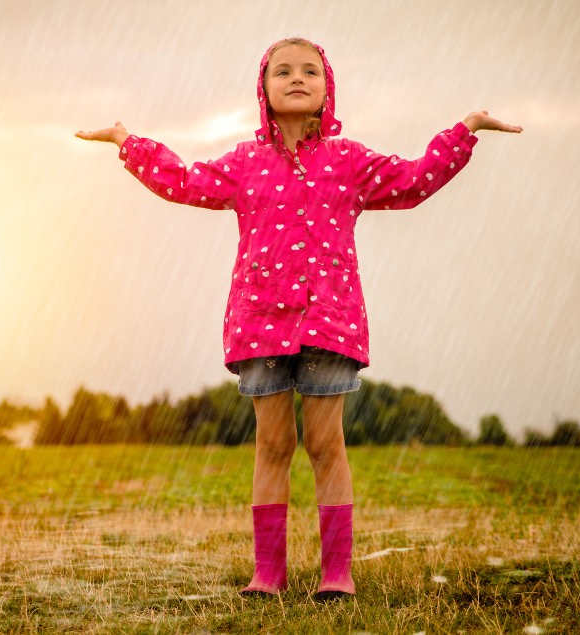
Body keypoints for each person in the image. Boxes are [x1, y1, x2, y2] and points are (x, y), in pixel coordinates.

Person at [75, 37, 521, 602]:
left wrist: (466, 130)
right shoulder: (243, 164)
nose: (297, 78)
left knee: (326, 443)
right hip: (259, 321)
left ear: (326, 89)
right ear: (263, 90)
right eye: (282, 71)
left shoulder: (350, 162)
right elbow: (184, 181)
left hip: (330, 320)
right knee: (273, 443)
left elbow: (413, 182)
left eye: (310, 71)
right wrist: (127, 141)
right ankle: (269, 573)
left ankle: (338, 573)